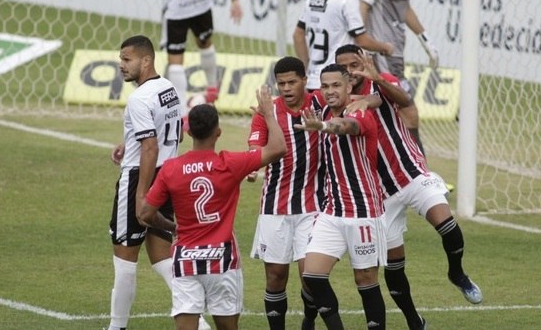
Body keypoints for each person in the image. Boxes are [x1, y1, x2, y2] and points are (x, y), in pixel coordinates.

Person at [334, 45, 482, 324]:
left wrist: (374, 80)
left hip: (411, 173)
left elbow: (403, 100)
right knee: (393, 265)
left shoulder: (384, 82)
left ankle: (457, 273)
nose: (351, 72)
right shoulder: (336, 97)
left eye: (355, 65)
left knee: (447, 225)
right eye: (345, 68)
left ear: (364, 62)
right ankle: (415, 320)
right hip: (379, 192)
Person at [139, 86, 287, 330]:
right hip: (222, 259)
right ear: (218, 132)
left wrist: (174, 227)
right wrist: (268, 114)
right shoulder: (229, 163)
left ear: (187, 131)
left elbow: (146, 214)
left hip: (186, 258)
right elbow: (278, 148)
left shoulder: (171, 168)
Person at [107, 35, 203, 330]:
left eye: (127, 59)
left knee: (124, 258)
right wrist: (128, 143)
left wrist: (140, 195)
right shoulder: (168, 89)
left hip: (141, 177)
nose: (121, 65)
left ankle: (116, 327)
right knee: (162, 256)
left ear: (145, 61)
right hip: (167, 176)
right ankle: (200, 325)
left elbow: (149, 146)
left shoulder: (139, 98)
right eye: (121, 59)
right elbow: (177, 134)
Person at [295, 64, 388, 330]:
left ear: (349, 87)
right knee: (312, 275)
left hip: (364, 213)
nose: (329, 91)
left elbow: (345, 127)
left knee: (365, 279)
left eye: (336, 85)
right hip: (333, 212)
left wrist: (323, 126)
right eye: (325, 86)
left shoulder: (360, 112)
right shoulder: (322, 109)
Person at [246, 56, 324, 330]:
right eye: (282, 84)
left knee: (311, 276)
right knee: (276, 276)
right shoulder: (266, 112)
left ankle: (309, 320)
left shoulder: (320, 104)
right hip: (274, 206)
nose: (287, 88)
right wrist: (252, 167)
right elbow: (256, 149)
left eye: (292, 82)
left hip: (313, 206)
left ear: (305, 80)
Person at [358, 0, 439, 156]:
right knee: (407, 110)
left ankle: (403, 169)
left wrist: (425, 39)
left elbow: (404, 10)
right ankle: (420, 171)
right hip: (383, 53)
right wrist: (362, 40)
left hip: (396, 52)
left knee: (395, 112)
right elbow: (363, 4)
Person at [293, 0, 394, 92]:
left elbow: (297, 35)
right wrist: (385, 47)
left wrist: (308, 66)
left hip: (314, 83)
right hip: (336, 84)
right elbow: (361, 40)